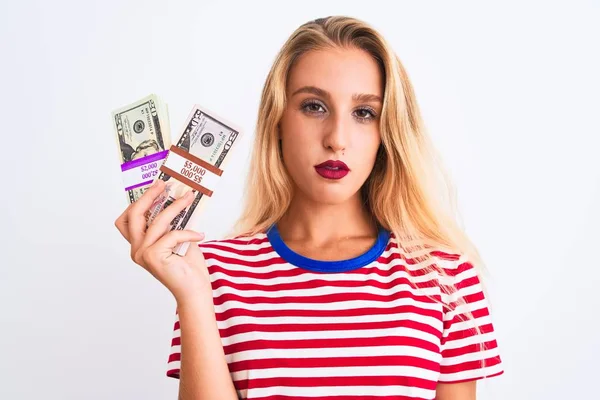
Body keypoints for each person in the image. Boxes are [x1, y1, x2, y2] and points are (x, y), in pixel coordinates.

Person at [115, 15, 504, 400]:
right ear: (279, 119)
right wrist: (193, 295)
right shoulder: (209, 271)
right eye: (314, 106)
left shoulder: (446, 276)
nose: (337, 138)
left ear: (387, 132)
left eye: (364, 112)